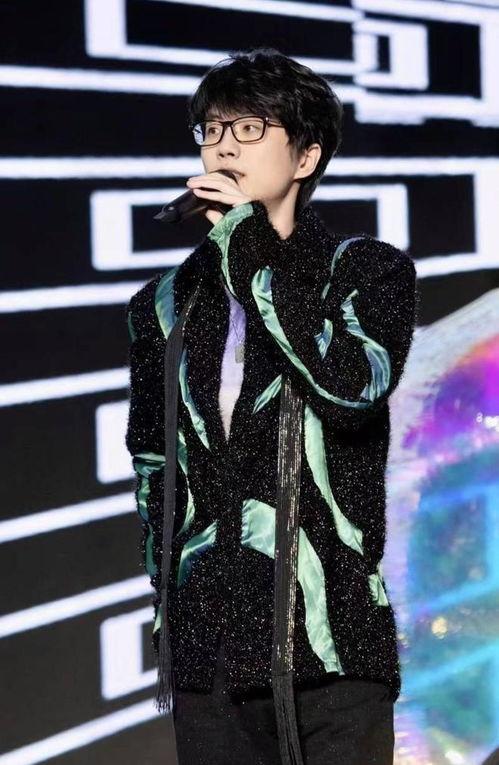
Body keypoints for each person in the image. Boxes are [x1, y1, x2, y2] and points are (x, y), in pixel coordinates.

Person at [125, 47, 418, 765]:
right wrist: (170, 598)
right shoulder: (163, 304)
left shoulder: (363, 270)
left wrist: (245, 243)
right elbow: (153, 459)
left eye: (250, 128)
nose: (224, 145)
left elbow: (353, 388)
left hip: (328, 639)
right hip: (210, 648)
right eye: (212, 129)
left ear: (306, 156)